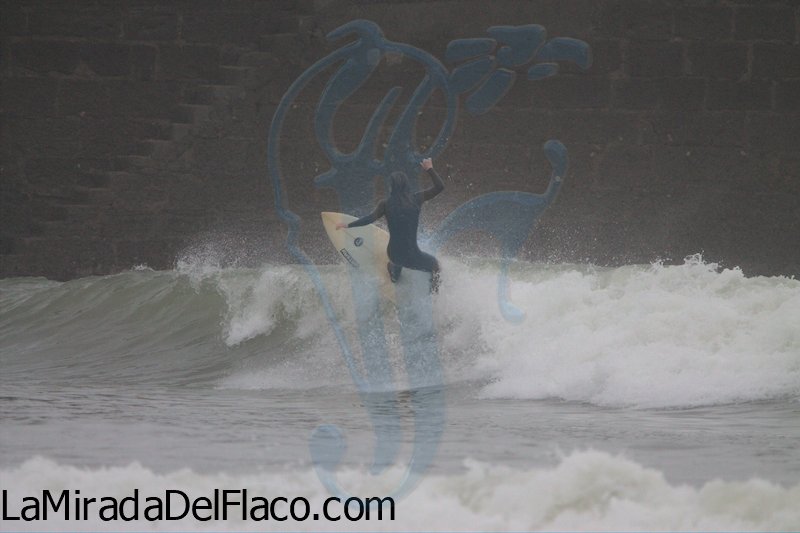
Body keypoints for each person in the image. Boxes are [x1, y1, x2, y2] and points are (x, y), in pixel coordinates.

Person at [336, 158, 444, 293]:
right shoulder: (416, 199)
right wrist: (429, 169)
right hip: (413, 255)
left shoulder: (385, 204)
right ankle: (434, 294)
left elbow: (369, 219)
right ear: (407, 185)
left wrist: (347, 225)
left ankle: (394, 274)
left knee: (397, 261)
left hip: (394, 254)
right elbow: (440, 187)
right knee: (435, 266)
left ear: (391, 187)